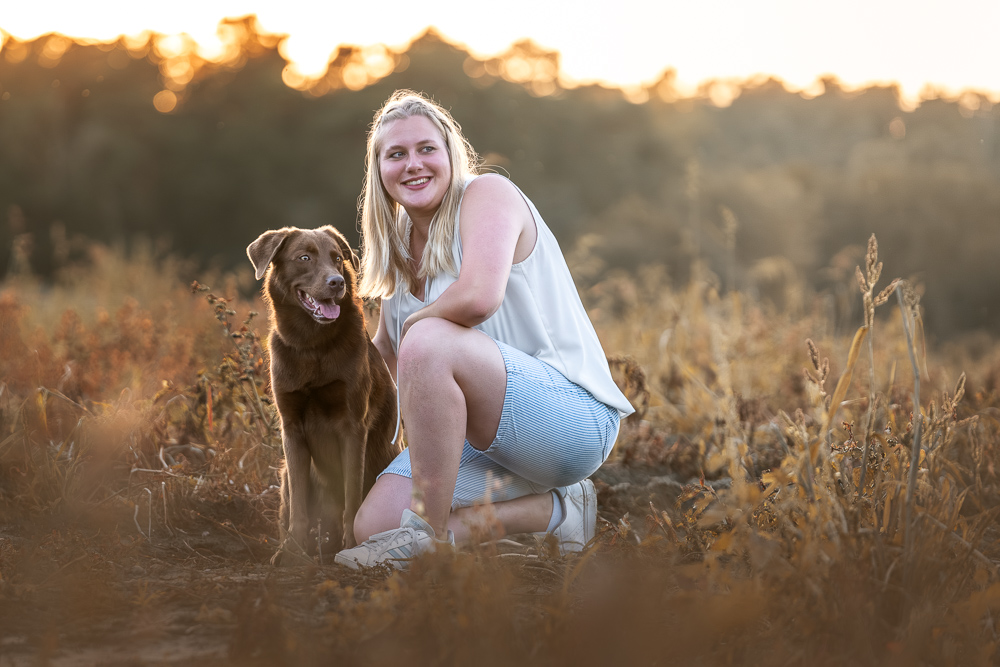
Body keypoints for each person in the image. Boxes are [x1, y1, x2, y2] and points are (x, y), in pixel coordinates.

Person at [334, 90, 634, 570]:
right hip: (481, 440)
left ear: (450, 154)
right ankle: (557, 510)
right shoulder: (399, 248)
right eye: (397, 154)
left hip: (570, 420)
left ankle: (423, 540)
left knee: (429, 340)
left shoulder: (487, 194)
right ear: (380, 172)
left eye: (426, 149)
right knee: (372, 528)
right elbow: (383, 358)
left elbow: (477, 298)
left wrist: (414, 328)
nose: (413, 164)